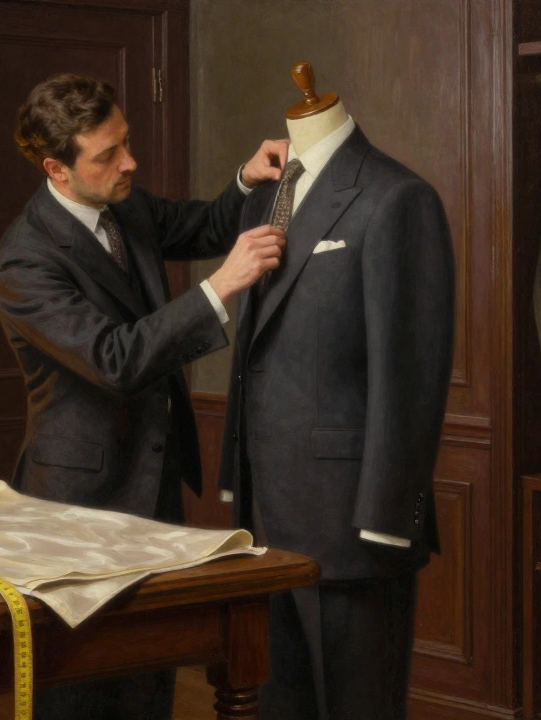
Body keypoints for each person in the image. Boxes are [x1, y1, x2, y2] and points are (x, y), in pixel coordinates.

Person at [0, 72, 287, 720]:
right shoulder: (23, 262)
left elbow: (204, 225)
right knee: (81, 689)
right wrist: (220, 288)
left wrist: (246, 178)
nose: (130, 162)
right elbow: (114, 359)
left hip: (153, 485)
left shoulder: (123, 203)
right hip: (74, 509)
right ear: (56, 169)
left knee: (149, 677)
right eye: (108, 154)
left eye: (126, 142)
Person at [219, 73, 454, 719]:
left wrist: (384, 518)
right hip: (266, 521)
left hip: (353, 525)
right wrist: (234, 481)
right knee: (278, 706)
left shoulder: (397, 197)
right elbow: (253, 354)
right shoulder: (267, 197)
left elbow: (412, 374)